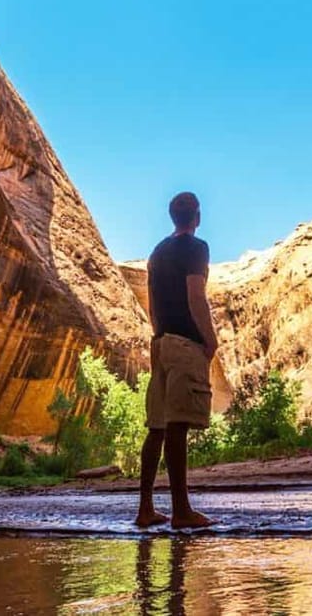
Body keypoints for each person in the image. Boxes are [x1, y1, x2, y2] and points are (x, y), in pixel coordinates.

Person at [135, 191, 218, 529]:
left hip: (160, 343)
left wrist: (158, 337)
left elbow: (153, 304)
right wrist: (210, 341)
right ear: (197, 217)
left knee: (156, 427)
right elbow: (196, 296)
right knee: (177, 426)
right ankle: (181, 512)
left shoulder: (157, 252)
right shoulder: (196, 249)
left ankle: (145, 510)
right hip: (184, 343)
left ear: (173, 217)